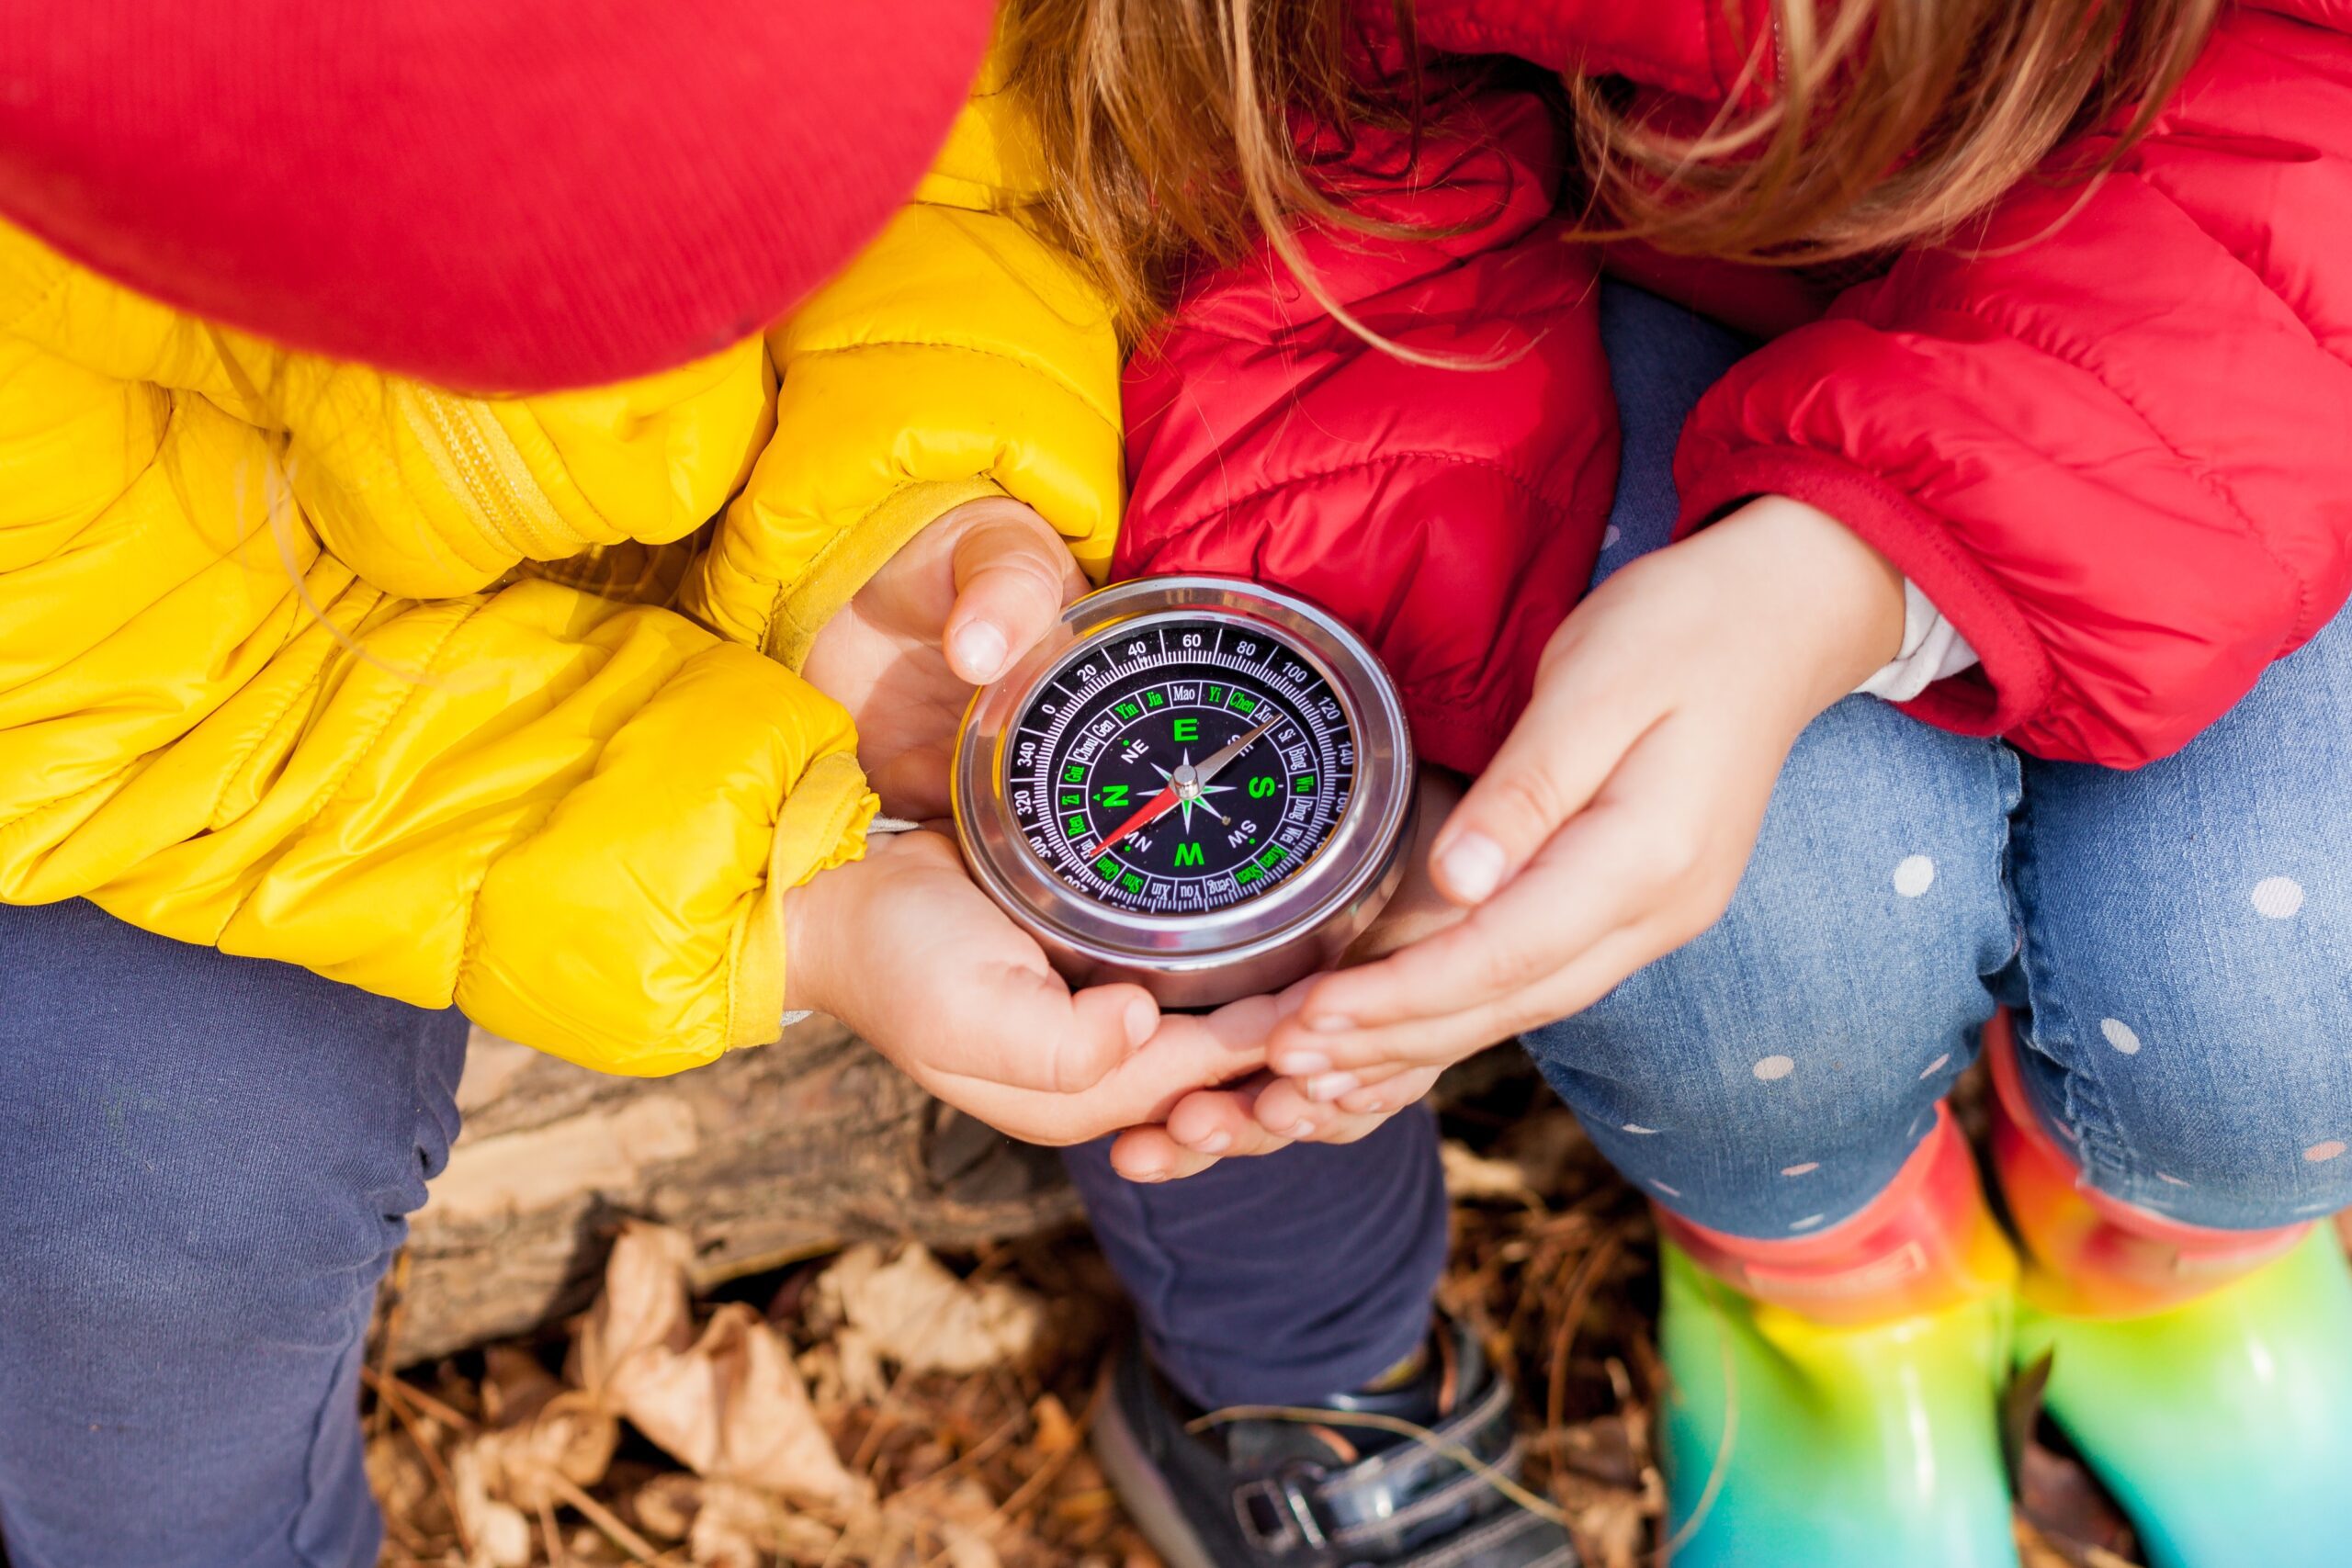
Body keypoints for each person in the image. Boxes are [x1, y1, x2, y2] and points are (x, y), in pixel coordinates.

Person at [968, 2, 2352, 1565]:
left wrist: (1862, 571)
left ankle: (2178, 1278)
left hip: (2261, 300)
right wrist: (1426, 698)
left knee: (2291, 982)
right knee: (1740, 950)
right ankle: (1838, 1314)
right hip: (1630, 249)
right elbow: (1310, 146)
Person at [0, 3, 1256, 1562]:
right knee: (159, 1170)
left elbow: (959, 147)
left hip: (352, 553)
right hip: (118, 681)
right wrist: (781, 894)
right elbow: (156, 719)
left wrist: (906, 503)